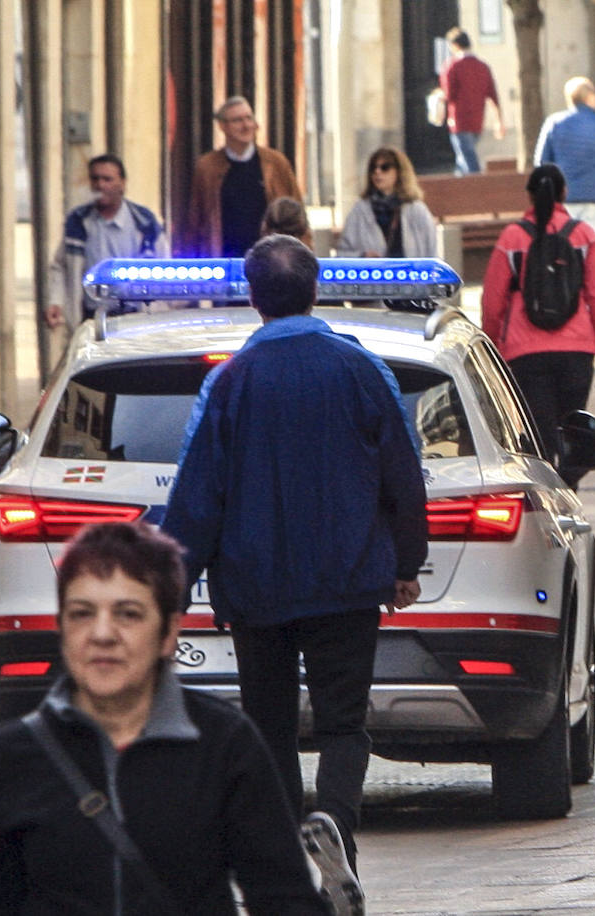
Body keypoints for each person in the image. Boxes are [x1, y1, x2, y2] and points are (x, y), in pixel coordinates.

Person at [161, 235, 428, 905]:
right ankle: (336, 824)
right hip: (348, 578)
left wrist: (166, 585)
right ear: (316, 291)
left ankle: (283, 869)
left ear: (252, 299)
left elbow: (199, 493)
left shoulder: (228, 382)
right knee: (344, 724)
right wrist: (406, 559)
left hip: (257, 587)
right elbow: (404, 467)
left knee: (268, 728)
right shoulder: (362, 369)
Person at [0, 522, 324, 915]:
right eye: (82, 613)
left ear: (167, 634)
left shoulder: (223, 744)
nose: (103, 634)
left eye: (128, 614)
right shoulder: (15, 757)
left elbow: (285, 899)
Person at [481, 165, 595, 486]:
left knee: (539, 436)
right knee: (572, 432)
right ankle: (568, 491)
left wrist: (492, 354)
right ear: (564, 193)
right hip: (577, 352)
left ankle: (547, 498)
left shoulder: (513, 238)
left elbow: (492, 302)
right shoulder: (584, 236)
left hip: (525, 353)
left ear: (529, 195)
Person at [46, 153, 171, 331]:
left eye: (108, 179)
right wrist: (56, 302)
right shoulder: (79, 223)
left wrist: (161, 309)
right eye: (95, 179)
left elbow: (164, 265)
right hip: (92, 319)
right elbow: (61, 266)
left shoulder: (144, 223)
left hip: (136, 319)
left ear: (123, 183)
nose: (100, 185)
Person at [182, 96, 303, 258]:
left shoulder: (276, 163)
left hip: (271, 260)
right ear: (222, 126)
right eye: (237, 120)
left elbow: (297, 214)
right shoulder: (207, 167)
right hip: (224, 259)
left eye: (249, 118)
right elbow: (195, 221)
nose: (246, 126)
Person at [533, 76, 595, 239]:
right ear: (589, 97)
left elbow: (541, 161)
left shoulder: (554, 122)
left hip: (562, 198)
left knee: (563, 248)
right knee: (588, 247)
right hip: (592, 196)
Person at [337, 147, 438, 258]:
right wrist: (362, 256)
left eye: (385, 167)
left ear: (399, 172)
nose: (377, 172)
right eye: (373, 168)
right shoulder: (360, 210)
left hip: (411, 273)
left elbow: (432, 250)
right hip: (373, 273)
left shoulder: (416, 209)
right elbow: (343, 253)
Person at [437, 28, 505, 175]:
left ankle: (478, 188)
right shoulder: (482, 66)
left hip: (459, 120)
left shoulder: (452, 66)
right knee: (462, 160)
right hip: (477, 119)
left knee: (468, 159)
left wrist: (438, 98)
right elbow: (493, 95)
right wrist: (499, 120)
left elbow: (448, 94)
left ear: (454, 45)